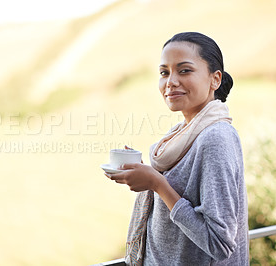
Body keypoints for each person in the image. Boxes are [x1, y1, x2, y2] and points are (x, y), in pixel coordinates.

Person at [104, 32, 249, 265]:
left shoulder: (216, 138)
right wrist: (145, 173)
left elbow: (220, 244)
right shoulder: (181, 132)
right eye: (164, 72)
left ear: (215, 79)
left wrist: (157, 184)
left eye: (184, 70)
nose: (170, 81)